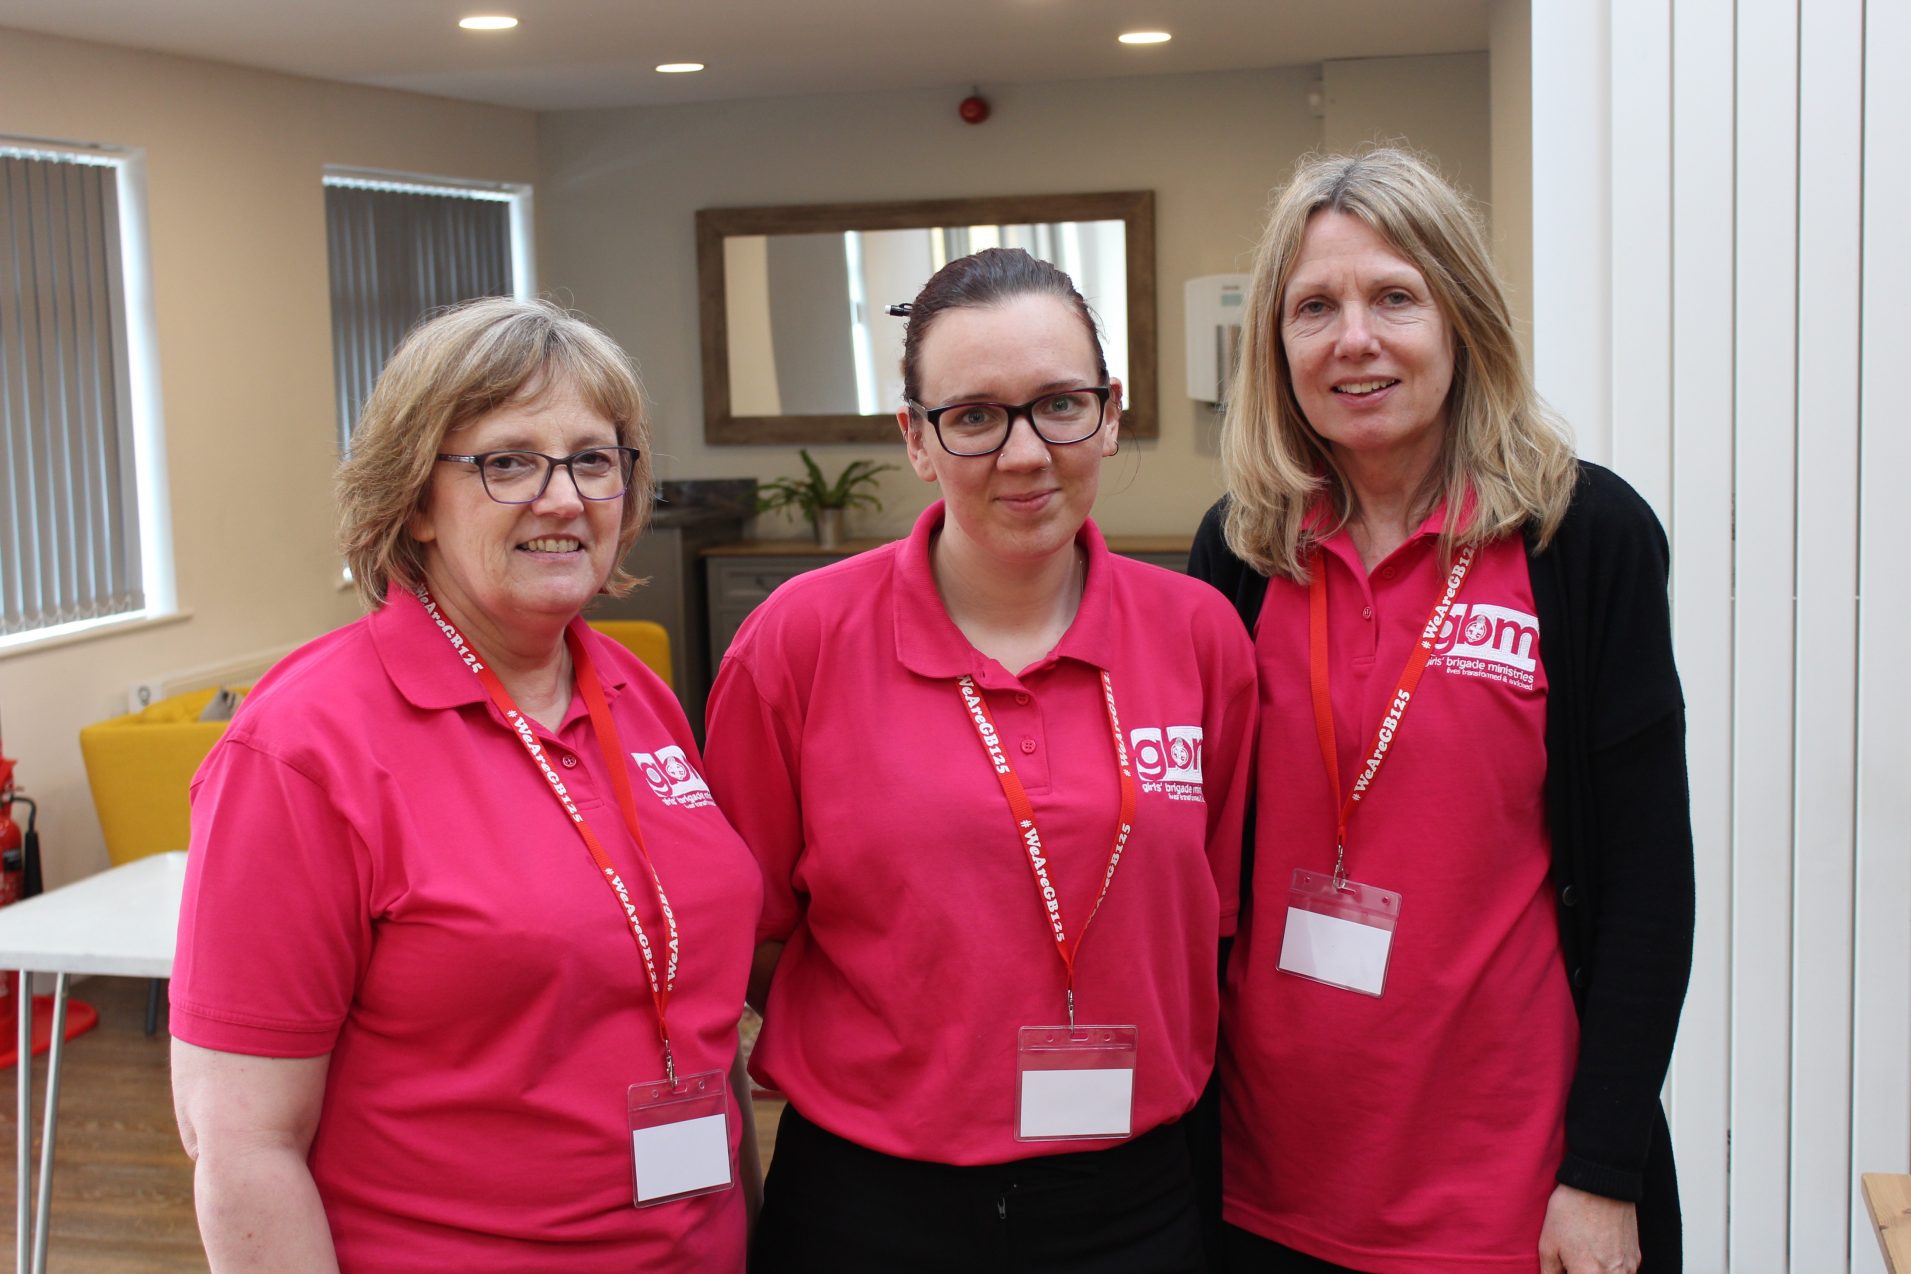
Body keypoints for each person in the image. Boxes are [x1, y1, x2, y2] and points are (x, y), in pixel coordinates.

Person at [169, 297, 763, 1271]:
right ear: (412, 499)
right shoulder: (304, 744)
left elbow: (693, 1011)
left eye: (594, 458)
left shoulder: (636, 691)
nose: (564, 497)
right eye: (508, 461)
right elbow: (241, 1141)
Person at [703, 247, 1257, 1273]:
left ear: (1111, 411)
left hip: (1133, 1200)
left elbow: (1211, 914)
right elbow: (748, 933)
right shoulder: (798, 643)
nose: (1025, 452)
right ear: (915, 436)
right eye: (974, 415)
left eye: (1059, 404)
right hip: (871, 1203)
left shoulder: (1201, 634)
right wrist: (917, 1049)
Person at [1190, 149, 1694, 1274]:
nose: (1353, 338)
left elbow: (1651, 889)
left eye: (1394, 297)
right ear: (1276, 345)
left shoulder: (1584, 536)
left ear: (1461, 319)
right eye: (1314, 306)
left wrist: (1604, 1171)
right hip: (1264, 1185)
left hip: (1512, 1193)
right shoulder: (1239, 550)